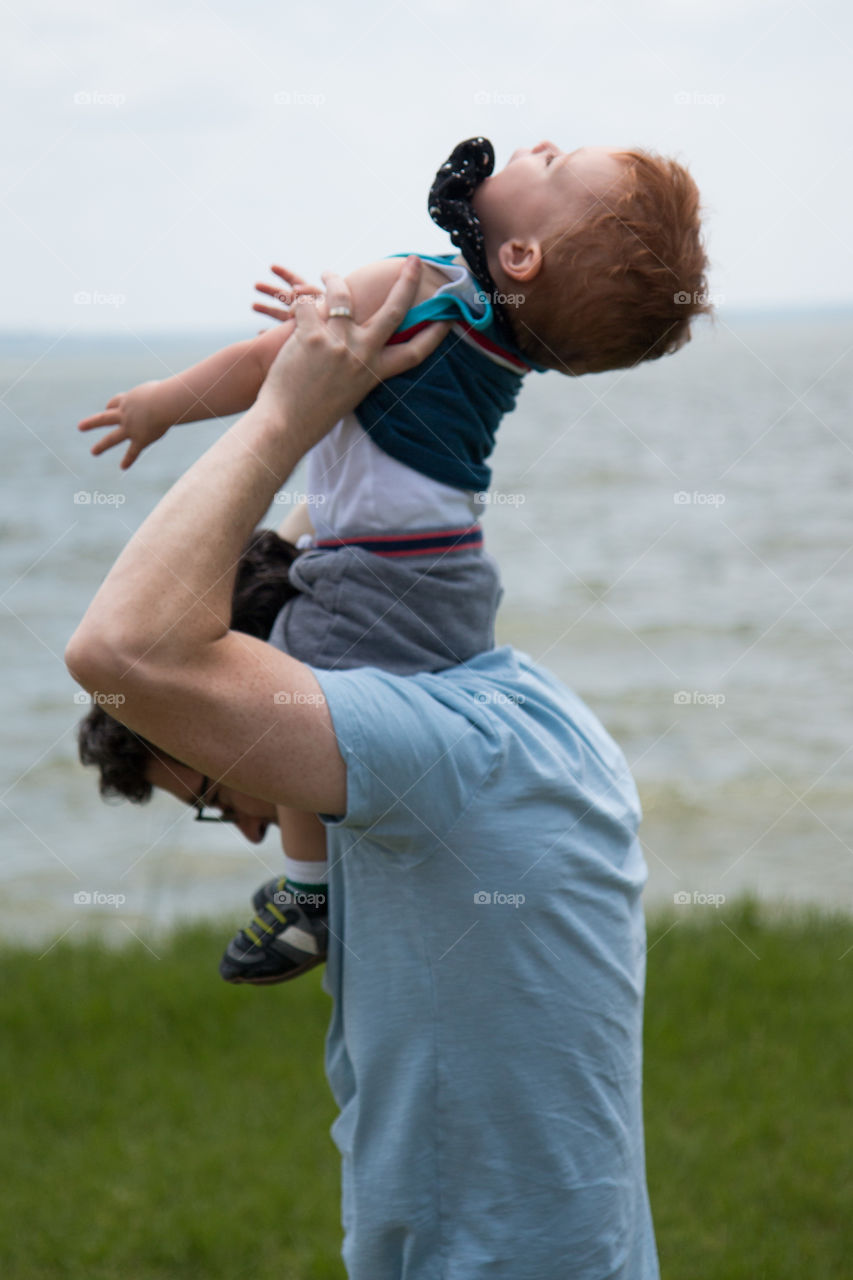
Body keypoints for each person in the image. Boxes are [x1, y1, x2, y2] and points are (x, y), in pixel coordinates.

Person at [66, 257, 660, 1279]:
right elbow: (313, 542)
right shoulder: (505, 709)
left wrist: (284, 413)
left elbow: (119, 654)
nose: (250, 826)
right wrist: (328, 419)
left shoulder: (427, 756)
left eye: (208, 789)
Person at [77, 136, 709, 986]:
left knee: (289, 682)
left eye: (554, 166)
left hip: (384, 574)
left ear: (521, 257)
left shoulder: (413, 286)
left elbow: (269, 370)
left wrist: (160, 404)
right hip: (442, 579)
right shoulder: (489, 333)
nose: (539, 146)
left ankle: (308, 897)